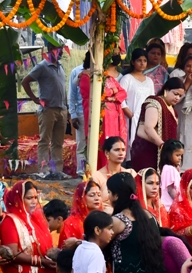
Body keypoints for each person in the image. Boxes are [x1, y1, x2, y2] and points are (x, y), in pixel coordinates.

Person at [23, 46, 70, 179]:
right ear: (50, 50)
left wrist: (67, 108)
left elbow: (63, 89)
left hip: (62, 109)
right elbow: (25, 81)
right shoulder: (42, 66)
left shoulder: (60, 67)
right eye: (57, 50)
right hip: (48, 110)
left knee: (58, 142)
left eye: (61, 50)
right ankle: (43, 170)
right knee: (44, 141)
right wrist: (35, 99)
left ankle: (57, 170)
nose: (60, 52)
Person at [80, 53, 129, 171]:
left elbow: (123, 93)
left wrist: (111, 95)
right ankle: (101, 173)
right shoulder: (86, 77)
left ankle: (114, 171)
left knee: (115, 144)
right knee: (100, 145)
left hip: (115, 120)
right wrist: (113, 91)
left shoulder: (108, 77)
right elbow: (97, 94)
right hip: (100, 118)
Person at [130, 78, 185, 170]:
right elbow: (148, 127)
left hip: (165, 154)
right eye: (175, 94)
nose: (177, 98)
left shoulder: (174, 111)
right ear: (166, 90)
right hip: (148, 151)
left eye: (180, 96)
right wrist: (164, 146)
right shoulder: (155, 102)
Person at [119, 48, 155, 153]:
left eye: (144, 61)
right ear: (133, 62)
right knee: (131, 143)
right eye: (139, 60)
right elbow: (120, 98)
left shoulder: (149, 81)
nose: (142, 63)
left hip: (146, 118)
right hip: (131, 116)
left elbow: (152, 99)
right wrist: (130, 114)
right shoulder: (127, 79)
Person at [93, 136, 134, 212]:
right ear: (107, 153)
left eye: (123, 150)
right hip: (106, 218)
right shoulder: (97, 177)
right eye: (117, 150)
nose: (121, 153)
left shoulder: (131, 173)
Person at [59, 180, 103, 245]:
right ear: (81, 198)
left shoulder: (102, 219)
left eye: (99, 195)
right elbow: (66, 248)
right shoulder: (70, 223)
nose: (97, 198)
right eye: (92, 195)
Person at [68, 54, 89, 174]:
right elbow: (72, 96)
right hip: (81, 113)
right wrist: (73, 115)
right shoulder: (76, 71)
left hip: (98, 114)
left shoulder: (103, 72)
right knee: (82, 144)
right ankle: (81, 172)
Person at [159, 139, 184, 211]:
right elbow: (170, 189)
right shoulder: (169, 169)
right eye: (177, 155)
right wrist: (179, 202)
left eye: (181, 155)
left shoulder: (169, 168)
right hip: (170, 206)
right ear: (168, 155)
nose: (180, 158)